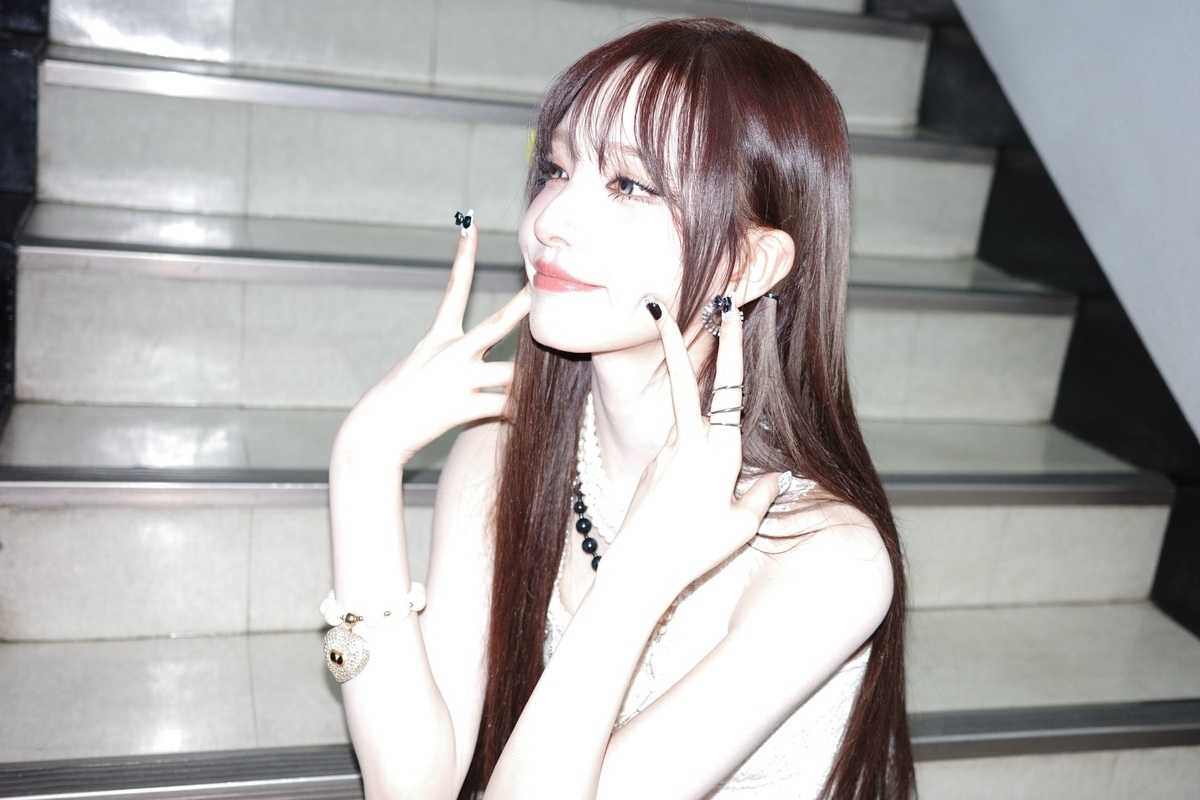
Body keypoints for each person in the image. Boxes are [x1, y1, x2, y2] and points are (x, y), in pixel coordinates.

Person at [323, 17, 914, 800]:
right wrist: (362, 466)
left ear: (749, 262)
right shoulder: (503, 454)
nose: (549, 221)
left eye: (630, 185)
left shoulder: (825, 557)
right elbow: (410, 786)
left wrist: (635, 579)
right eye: (557, 168)